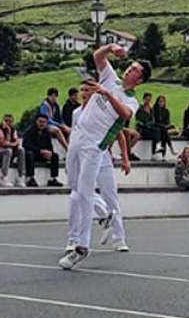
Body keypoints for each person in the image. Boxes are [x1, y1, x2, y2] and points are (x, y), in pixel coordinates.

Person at [59, 44, 150, 270]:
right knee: (75, 189)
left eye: (135, 70)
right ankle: (104, 214)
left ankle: (81, 246)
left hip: (94, 146)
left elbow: (125, 114)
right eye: (131, 66)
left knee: (85, 192)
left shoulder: (132, 100)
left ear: (139, 80)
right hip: (77, 137)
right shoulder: (111, 76)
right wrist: (111, 47)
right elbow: (97, 56)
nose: (130, 70)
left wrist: (106, 93)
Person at [22, 113, 62, 187]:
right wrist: (40, 151)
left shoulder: (47, 132)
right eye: (40, 121)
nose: (42, 124)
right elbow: (26, 145)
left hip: (43, 154)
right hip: (34, 153)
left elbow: (49, 145)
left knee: (55, 156)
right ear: (36, 121)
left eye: (44, 122)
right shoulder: (29, 131)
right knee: (29, 154)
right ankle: (30, 178)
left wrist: (49, 152)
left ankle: (52, 178)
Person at [0, 113, 26, 187]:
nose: (8, 123)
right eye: (6, 121)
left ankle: (20, 176)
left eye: (10, 121)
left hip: (7, 152)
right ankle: (3, 177)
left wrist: (12, 144)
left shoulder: (13, 130)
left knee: (21, 150)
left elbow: (17, 142)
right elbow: (4, 144)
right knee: (8, 151)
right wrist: (8, 132)